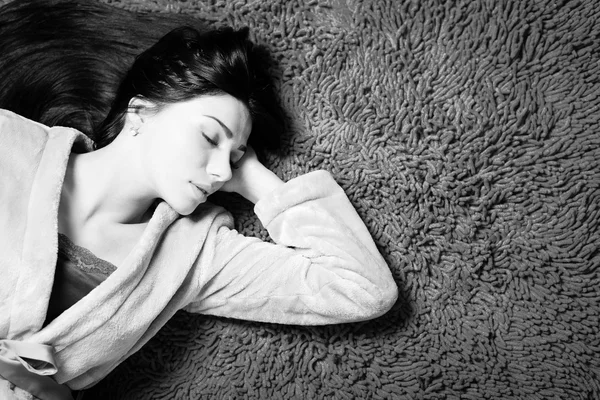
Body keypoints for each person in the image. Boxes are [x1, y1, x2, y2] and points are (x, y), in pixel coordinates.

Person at [0, 1, 398, 399]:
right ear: (138, 112)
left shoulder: (191, 255)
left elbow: (361, 290)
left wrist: (257, 180)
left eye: (235, 158)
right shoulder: (11, 144)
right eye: (210, 137)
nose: (223, 172)